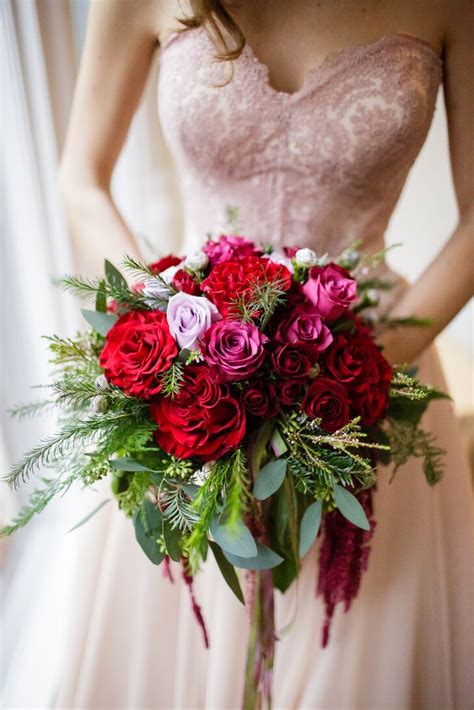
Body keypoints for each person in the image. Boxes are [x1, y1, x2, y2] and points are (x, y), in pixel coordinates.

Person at [56, 1, 473, 707]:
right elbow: (81, 179)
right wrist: (162, 337)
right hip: (189, 387)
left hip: (369, 380)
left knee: (359, 640)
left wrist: (361, 367)